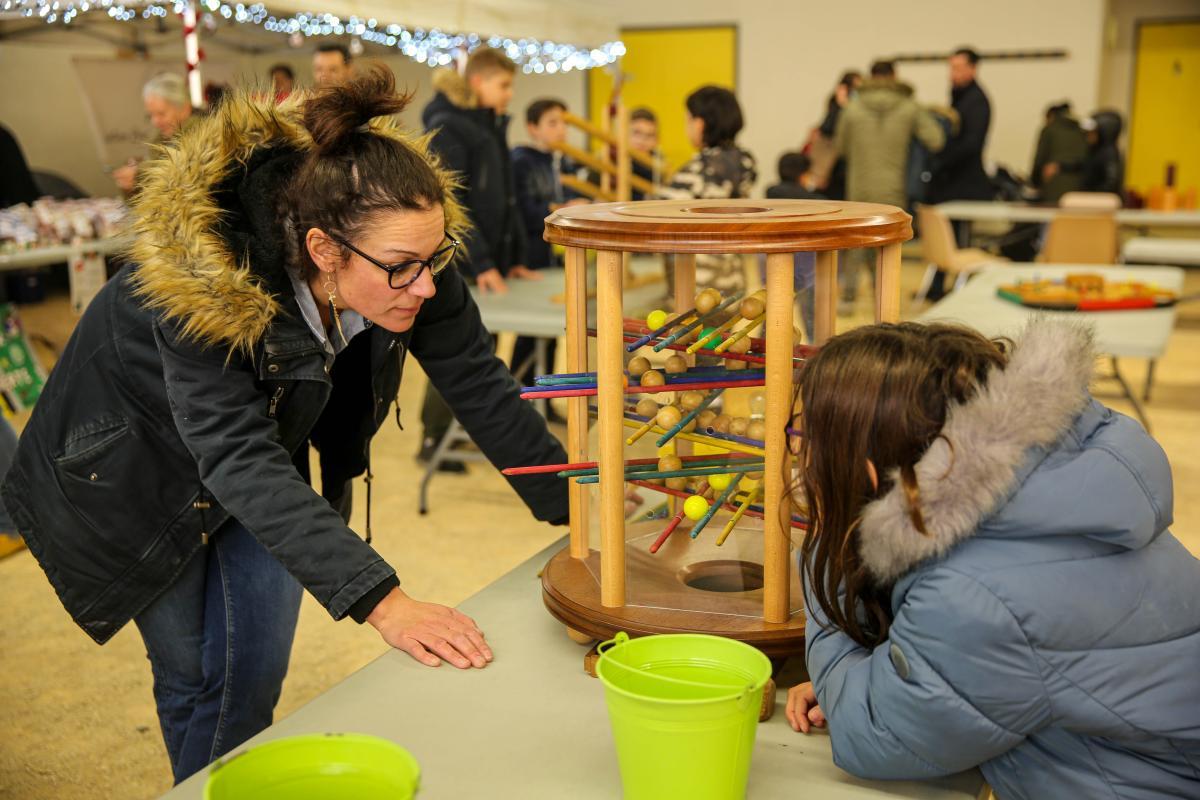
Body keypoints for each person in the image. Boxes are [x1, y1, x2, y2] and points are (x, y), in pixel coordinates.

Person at [0, 66, 569, 784]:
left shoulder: (407, 249)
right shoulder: (205, 278)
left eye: (436, 258)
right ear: (324, 251)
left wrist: (578, 509)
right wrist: (386, 603)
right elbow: (235, 454)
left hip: (255, 445)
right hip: (129, 463)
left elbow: (480, 383)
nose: (426, 284)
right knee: (190, 673)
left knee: (248, 673)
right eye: (404, 268)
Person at [785, 319, 1200, 800]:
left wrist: (836, 635)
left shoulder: (972, 596)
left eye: (809, 440)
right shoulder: (1057, 477)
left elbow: (874, 734)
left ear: (869, 471)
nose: (802, 456)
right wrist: (871, 675)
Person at [418, 48, 534, 467]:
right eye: (504, 85)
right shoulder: (448, 124)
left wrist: (512, 257)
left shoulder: (488, 124)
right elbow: (454, 204)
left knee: (480, 349)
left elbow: (504, 199)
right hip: (462, 265)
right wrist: (482, 262)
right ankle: (433, 437)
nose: (509, 93)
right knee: (457, 351)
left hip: (488, 264)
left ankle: (463, 429)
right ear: (478, 81)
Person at [834, 60, 944, 310]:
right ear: (894, 76)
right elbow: (936, 139)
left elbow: (841, 148)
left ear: (870, 76)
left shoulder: (852, 108)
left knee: (855, 240)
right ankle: (883, 298)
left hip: (859, 187)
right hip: (893, 187)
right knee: (887, 244)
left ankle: (848, 298)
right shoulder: (909, 107)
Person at [510, 97, 584, 386]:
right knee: (530, 333)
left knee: (552, 333)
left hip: (555, 256)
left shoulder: (562, 162)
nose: (561, 129)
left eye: (564, 123)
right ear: (533, 128)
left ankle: (544, 392)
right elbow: (524, 210)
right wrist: (563, 209)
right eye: (552, 123)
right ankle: (522, 390)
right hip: (532, 256)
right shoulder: (521, 162)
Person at [659, 85, 757, 295]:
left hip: (698, 278)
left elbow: (660, 212)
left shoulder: (698, 171)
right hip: (733, 273)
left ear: (699, 124)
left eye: (688, 120)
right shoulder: (743, 162)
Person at [113, 73, 198, 194]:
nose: (155, 122)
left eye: (161, 114)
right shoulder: (160, 141)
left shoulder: (202, 139)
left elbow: (187, 184)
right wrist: (132, 186)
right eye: (151, 115)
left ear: (185, 109)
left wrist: (140, 177)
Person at [810, 70, 861, 200]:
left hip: (849, 164)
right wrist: (842, 105)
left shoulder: (859, 109)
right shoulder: (837, 106)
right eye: (854, 88)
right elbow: (827, 129)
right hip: (834, 166)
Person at [1030, 102, 1089, 204]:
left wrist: (1034, 183)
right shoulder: (1081, 130)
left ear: (1051, 116)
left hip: (1053, 186)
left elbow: (1039, 159)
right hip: (1079, 188)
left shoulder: (1049, 130)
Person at [1083, 109, 1125, 198]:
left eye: (1093, 132)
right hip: (1092, 198)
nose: (1088, 136)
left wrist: (1094, 195)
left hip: (1102, 200)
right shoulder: (1094, 150)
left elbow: (1111, 183)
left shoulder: (1110, 153)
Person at [629, 107, 662, 200]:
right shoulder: (610, 162)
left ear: (657, 140)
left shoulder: (660, 168)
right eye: (636, 133)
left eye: (650, 135)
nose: (642, 140)